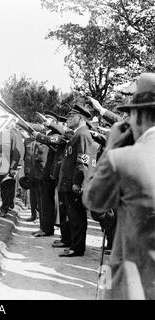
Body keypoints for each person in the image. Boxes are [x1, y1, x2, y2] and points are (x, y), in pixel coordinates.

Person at [83, 73, 155, 299]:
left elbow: (93, 200)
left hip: (133, 286)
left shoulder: (124, 160)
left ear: (140, 115)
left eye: (129, 114)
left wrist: (112, 148)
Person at [57, 103, 98, 257]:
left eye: (71, 116)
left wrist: (77, 182)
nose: (68, 119)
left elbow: (83, 161)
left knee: (77, 217)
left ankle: (77, 247)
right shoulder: (78, 134)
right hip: (69, 182)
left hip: (74, 184)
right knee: (72, 216)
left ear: (79, 117)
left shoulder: (82, 134)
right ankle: (74, 244)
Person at [0, 118, 21, 217]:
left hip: (5, 167)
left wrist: (12, 168)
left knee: (6, 189)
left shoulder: (12, 136)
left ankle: (4, 209)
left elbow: (16, 153)